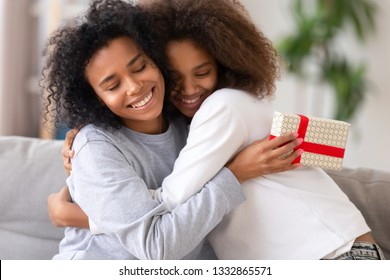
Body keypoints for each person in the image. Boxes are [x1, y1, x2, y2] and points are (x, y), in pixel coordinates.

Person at [50, 0, 384, 260]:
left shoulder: (223, 108)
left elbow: (167, 204)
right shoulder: (186, 125)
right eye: (175, 76)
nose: (189, 89)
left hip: (334, 255)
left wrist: (80, 214)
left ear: (225, 61)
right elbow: (158, 229)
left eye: (202, 72)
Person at [43, 0, 286, 260]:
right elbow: (157, 247)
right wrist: (234, 175)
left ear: (156, 60)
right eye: (113, 86)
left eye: (140, 67)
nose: (134, 86)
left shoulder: (194, 124)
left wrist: (82, 217)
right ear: (96, 98)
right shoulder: (95, 148)